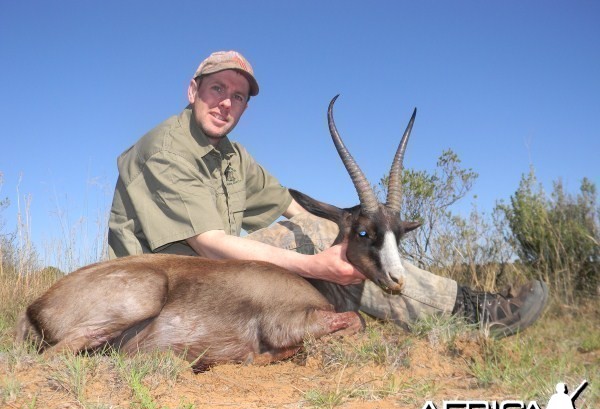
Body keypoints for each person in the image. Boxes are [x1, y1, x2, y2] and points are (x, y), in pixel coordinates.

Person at [108, 50, 548, 338]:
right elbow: (208, 242)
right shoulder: (166, 148)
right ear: (193, 90)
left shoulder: (232, 156)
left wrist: (352, 230)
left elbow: (293, 208)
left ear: (245, 106)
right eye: (217, 89)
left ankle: (453, 308)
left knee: (327, 233)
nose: (226, 103)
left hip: (210, 276)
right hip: (163, 285)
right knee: (318, 243)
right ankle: (476, 312)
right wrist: (317, 261)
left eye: (238, 96)